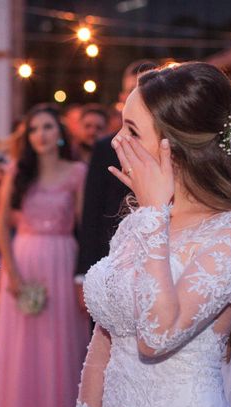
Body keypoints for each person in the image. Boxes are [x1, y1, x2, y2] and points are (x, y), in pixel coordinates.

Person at [65, 62, 231, 407]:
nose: (116, 140)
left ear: (175, 146)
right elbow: (100, 351)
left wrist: (153, 216)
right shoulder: (135, 226)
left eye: (132, 130)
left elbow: (156, 337)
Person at [0, 104, 91, 407]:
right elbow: (1, 225)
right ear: (28, 137)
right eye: (34, 129)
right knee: (23, 357)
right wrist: (12, 274)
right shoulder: (19, 171)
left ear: (60, 132)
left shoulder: (78, 173)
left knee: (61, 352)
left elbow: (85, 229)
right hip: (25, 261)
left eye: (48, 127)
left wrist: (83, 276)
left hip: (63, 263)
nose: (41, 134)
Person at [76, 60, 157, 293]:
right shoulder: (105, 147)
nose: (139, 96)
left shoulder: (170, 146)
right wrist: (83, 273)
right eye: (133, 89)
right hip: (109, 259)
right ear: (123, 97)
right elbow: (91, 212)